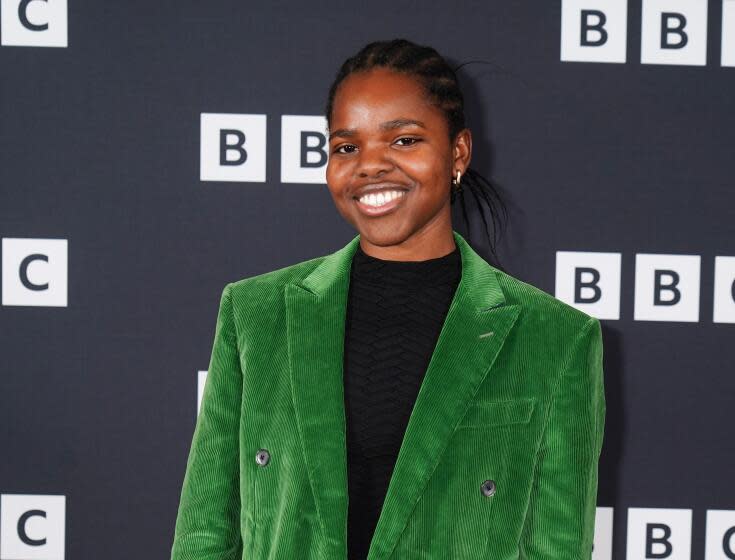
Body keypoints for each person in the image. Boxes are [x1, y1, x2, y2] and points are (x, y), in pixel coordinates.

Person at [170, 38, 606, 560]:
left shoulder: (556, 339)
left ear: (458, 153)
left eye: (403, 140)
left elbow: (558, 548)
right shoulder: (255, 315)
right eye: (346, 147)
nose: (370, 166)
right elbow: (203, 540)